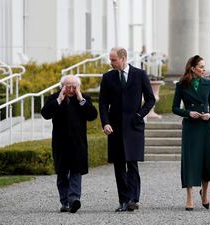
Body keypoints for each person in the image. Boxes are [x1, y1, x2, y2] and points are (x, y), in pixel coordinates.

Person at [99, 47, 155, 212]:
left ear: (123, 58)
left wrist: (140, 115)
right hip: (114, 128)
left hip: (134, 126)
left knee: (132, 163)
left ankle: (133, 199)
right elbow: (103, 103)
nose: (111, 62)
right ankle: (123, 200)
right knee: (119, 165)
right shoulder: (108, 77)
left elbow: (150, 99)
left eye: (113, 60)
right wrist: (105, 123)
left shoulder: (140, 75)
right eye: (110, 59)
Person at [172, 55, 210, 211]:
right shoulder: (181, 85)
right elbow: (174, 108)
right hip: (190, 127)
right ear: (192, 68)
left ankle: (205, 193)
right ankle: (189, 197)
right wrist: (188, 113)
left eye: (204, 66)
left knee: (205, 161)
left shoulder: (207, 84)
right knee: (190, 162)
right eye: (201, 66)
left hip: (204, 126)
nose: (204, 69)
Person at [41, 75, 98, 213]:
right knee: (62, 173)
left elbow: (92, 115)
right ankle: (65, 202)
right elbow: (45, 114)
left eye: (74, 87)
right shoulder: (54, 98)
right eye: (68, 86)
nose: (71, 89)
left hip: (78, 142)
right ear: (62, 86)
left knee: (76, 171)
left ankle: (74, 200)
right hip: (60, 142)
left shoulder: (84, 98)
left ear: (78, 87)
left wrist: (81, 99)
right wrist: (59, 100)